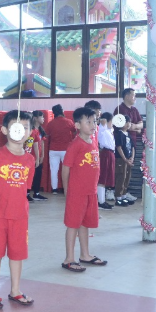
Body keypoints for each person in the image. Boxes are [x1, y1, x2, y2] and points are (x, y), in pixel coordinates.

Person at [0, 109, 35, 309]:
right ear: (4, 130)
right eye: (16, 126)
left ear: (30, 132)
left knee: (17, 253)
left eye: (26, 127)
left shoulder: (30, 160)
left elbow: (25, 187)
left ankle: (15, 290)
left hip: (19, 215)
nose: (21, 130)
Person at [59, 106, 104, 271]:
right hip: (77, 193)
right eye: (88, 122)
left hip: (90, 192)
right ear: (77, 125)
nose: (93, 125)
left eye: (94, 121)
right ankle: (69, 259)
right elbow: (66, 168)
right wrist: (66, 190)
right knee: (73, 225)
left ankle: (85, 255)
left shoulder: (93, 141)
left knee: (85, 224)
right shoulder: (75, 145)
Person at [96, 111, 117, 209]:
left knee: (106, 178)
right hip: (106, 153)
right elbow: (100, 131)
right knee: (102, 178)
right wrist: (102, 123)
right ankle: (100, 202)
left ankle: (102, 200)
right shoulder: (102, 129)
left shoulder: (109, 130)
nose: (112, 124)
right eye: (111, 121)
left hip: (110, 153)